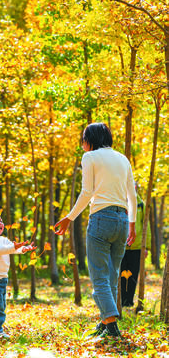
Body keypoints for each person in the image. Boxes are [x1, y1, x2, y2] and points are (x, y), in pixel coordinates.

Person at [54, 123, 137, 339]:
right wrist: (132, 224)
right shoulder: (123, 158)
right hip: (122, 219)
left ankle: (112, 327)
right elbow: (132, 196)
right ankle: (104, 322)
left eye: (83, 139)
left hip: (101, 218)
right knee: (110, 276)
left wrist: (69, 218)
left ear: (90, 139)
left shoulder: (90, 158)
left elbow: (86, 192)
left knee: (99, 277)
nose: (82, 144)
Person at [0, 209, 36, 339]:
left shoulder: (3, 239)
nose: (0, 222)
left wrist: (23, 249)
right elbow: (1, 250)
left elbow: (11, 248)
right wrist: (13, 247)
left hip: (1, 279)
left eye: (1, 220)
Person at [121, 183, 151, 307]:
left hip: (137, 246)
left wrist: (146, 247)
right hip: (121, 246)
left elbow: (146, 227)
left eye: (134, 188)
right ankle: (121, 300)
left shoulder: (141, 205)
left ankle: (129, 301)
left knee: (133, 274)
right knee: (121, 275)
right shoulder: (120, 202)